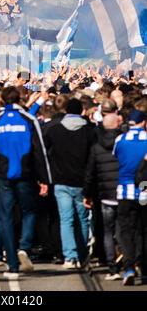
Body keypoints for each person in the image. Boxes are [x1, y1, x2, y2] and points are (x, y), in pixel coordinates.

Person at [0, 86, 51, 278]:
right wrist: (44, 179)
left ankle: (12, 264)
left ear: (3, 101)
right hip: (26, 173)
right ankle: (25, 246)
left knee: (6, 216)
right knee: (29, 211)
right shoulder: (29, 120)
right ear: (21, 99)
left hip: (4, 174)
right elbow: (40, 150)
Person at [43, 98, 96, 269]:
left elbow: (45, 152)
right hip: (81, 181)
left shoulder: (55, 130)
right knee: (82, 219)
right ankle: (82, 255)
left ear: (65, 111)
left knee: (66, 219)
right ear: (82, 111)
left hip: (61, 180)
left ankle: (69, 256)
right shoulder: (89, 131)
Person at [83, 113, 121, 280]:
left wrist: (87, 194)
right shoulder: (123, 144)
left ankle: (112, 266)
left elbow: (90, 174)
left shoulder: (97, 147)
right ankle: (127, 261)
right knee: (124, 229)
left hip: (105, 194)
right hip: (124, 192)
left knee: (107, 231)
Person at [113, 109, 147, 285]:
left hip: (124, 191)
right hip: (144, 191)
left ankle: (129, 267)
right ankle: (144, 265)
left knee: (126, 231)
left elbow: (117, 158)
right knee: (143, 230)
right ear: (143, 122)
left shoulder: (120, 140)